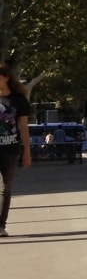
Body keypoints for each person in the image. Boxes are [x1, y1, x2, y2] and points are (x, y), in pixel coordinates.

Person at [0, 63, 33, 237]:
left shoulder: (18, 100)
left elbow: (24, 127)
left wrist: (27, 152)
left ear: (6, 78)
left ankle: (1, 224)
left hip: (10, 149)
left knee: (6, 187)